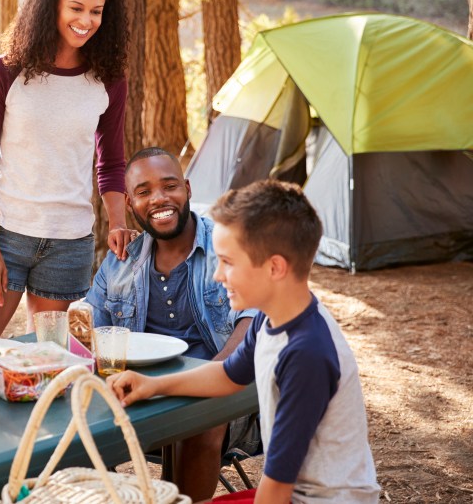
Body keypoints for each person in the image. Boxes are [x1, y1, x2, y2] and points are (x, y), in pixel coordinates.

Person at [108, 180, 380, 504]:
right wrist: (152, 385)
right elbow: (227, 375)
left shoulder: (306, 353)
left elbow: (276, 488)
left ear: (274, 267)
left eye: (228, 262)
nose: (218, 275)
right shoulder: (272, 316)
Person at [0, 0, 133, 339]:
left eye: (97, 12)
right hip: (7, 233)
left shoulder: (109, 80)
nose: (86, 20)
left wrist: (117, 220)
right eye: (76, 8)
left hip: (71, 243)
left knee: (48, 367)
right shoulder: (4, 72)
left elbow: (111, 161)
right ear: (51, 6)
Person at [85, 147, 258, 501]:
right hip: (141, 390)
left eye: (170, 186)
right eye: (144, 192)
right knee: (81, 421)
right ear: (130, 205)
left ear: (188, 189)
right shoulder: (120, 263)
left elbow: (251, 324)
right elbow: (90, 332)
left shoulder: (226, 245)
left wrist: (205, 381)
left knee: (202, 421)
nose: (159, 199)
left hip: (223, 388)